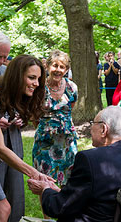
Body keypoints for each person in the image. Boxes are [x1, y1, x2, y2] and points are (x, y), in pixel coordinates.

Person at [0, 55, 53, 222]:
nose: (36, 83)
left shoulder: (6, 93)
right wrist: (34, 173)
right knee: (2, 208)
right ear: (16, 76)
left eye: (38, 79)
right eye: (31, 77)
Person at [27, 106, 121, 221]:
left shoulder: (90, 159)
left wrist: (45, 189)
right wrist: (58, 191)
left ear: (104, 129)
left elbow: (58, 208)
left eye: (93, 123)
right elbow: (91, 197)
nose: (90, 128)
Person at [33, 49, 78, 186]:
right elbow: (34, 115)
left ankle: (64, 208)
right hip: (44, 142)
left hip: (67, 143)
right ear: (47, 66)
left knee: (68, 182)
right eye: (55, 65)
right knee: (45, 183)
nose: (58, 70)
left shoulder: (72, 87)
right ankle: (46, 208)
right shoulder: (39, 87)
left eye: (62, 67)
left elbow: (70, 109)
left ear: (66, 69)